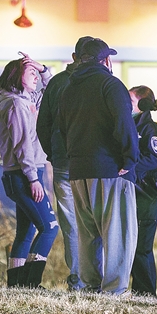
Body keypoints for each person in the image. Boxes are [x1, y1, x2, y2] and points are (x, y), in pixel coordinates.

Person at [57, 38, 139, 295]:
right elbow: (124, 124)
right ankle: (113, 290)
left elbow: (60, 129)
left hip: (78, 170)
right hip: (110, 169)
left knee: (87, 233)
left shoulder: (69, 89)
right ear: (105, 60)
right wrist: (130, 159)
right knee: (117, 233)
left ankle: (90, 285)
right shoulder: (110, 85)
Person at [36, 36, 101, 291]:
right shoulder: (99, 82)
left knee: (71, 223)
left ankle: (77, 279)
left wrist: (53, 153)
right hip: (92, 163)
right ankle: (95, 277)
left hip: (63, 162)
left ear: (74, 57)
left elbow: (43, 124)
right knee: (94, 221)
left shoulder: (58, 83)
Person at [0, 53, 58, 288]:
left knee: (25, 232)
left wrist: (43, 69)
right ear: (16, 76)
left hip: (22, 174)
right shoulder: (17, 105)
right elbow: (22, 146)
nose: (36, 77)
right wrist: (33, 179)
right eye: (30, 72)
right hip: (25, 175)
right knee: (49, 228)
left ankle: (16, 286)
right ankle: (30, 284)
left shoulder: (25, 101)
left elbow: (51, 92)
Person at [129, 86, 157, 297]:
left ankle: (145, 294)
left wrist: (127, 167)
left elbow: (154, 160)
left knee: (142, 247)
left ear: (143, 105)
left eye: (130, 101)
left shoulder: (152, 131)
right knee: (132, 246)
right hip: (132, 192)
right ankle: (138, 292)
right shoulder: (127, 125)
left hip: (147, 194)